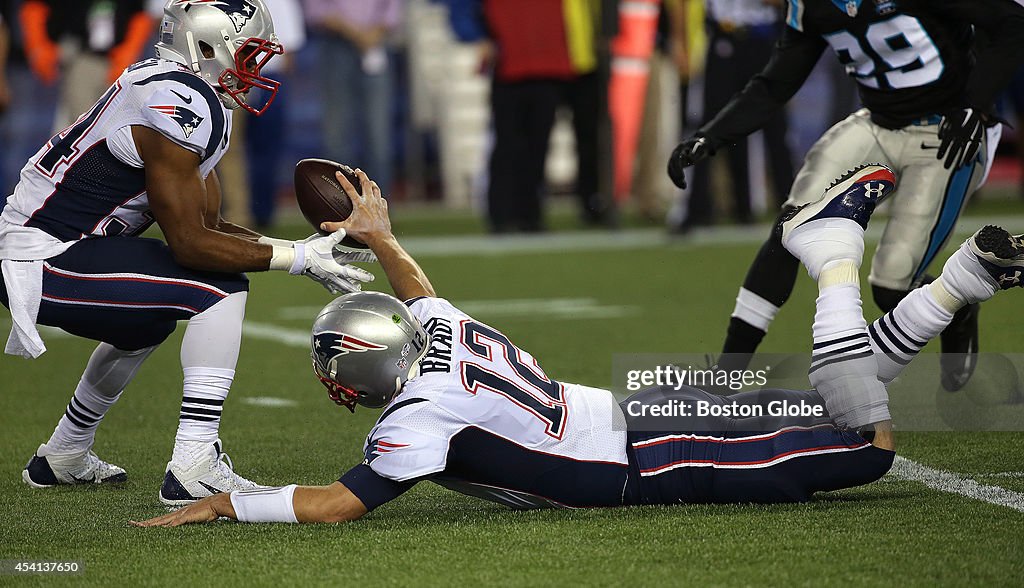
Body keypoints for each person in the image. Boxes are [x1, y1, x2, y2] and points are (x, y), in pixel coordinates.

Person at [130, 163, 1024, 527]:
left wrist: (222, 506)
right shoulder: (442, 333)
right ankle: (961, 284)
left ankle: (832, 259)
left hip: (655, 458)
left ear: (356, 372)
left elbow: (337, 505)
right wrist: (379, 234)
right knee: (838, 408)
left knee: (868, 450)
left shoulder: (415, 419)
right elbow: (421, 295)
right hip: (634, 408)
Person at [0, 0, 374, 505]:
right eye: (248, 54)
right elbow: (191, 245)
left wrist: (305, 247)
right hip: (41, 255)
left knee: (146, 322)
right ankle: (194, 463)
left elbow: (209, 225)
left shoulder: (188, 92)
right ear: (206, 48)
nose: (255, 69)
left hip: (60, 248)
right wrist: (297, 260)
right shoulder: (178, 102)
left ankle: (64, 454)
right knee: (217, 290)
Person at [667, 0, 1024, 391]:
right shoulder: (811, 7)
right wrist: (711, 135)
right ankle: (727, 373)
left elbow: (1011, 21)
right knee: (792, 224)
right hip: (877, 122)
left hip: (947, 131)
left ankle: (957, 304)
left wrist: (976, 101)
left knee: (891, 289)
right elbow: (774, 84)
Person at [674, 0, 795, 231]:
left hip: (764, 38)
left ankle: (788, 207)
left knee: (775, 127)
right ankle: (696, 209)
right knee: (712, 125)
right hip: (724, 36)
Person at [305, 0, 401, 195]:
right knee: (337, 134)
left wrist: (371, 34)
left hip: (374, 44)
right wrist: (356, 33)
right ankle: (340, 205)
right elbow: (315, 11)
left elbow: (393, 10)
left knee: (378, 133)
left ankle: (379, 204)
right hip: (336, 44)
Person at [19, 0, 154, 132]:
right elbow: (37, 7)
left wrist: (130, 50)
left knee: (119, 124)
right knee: (82, 123)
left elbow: (139, 13)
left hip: (121, 61)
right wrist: (38, 46)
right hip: (83, 57)